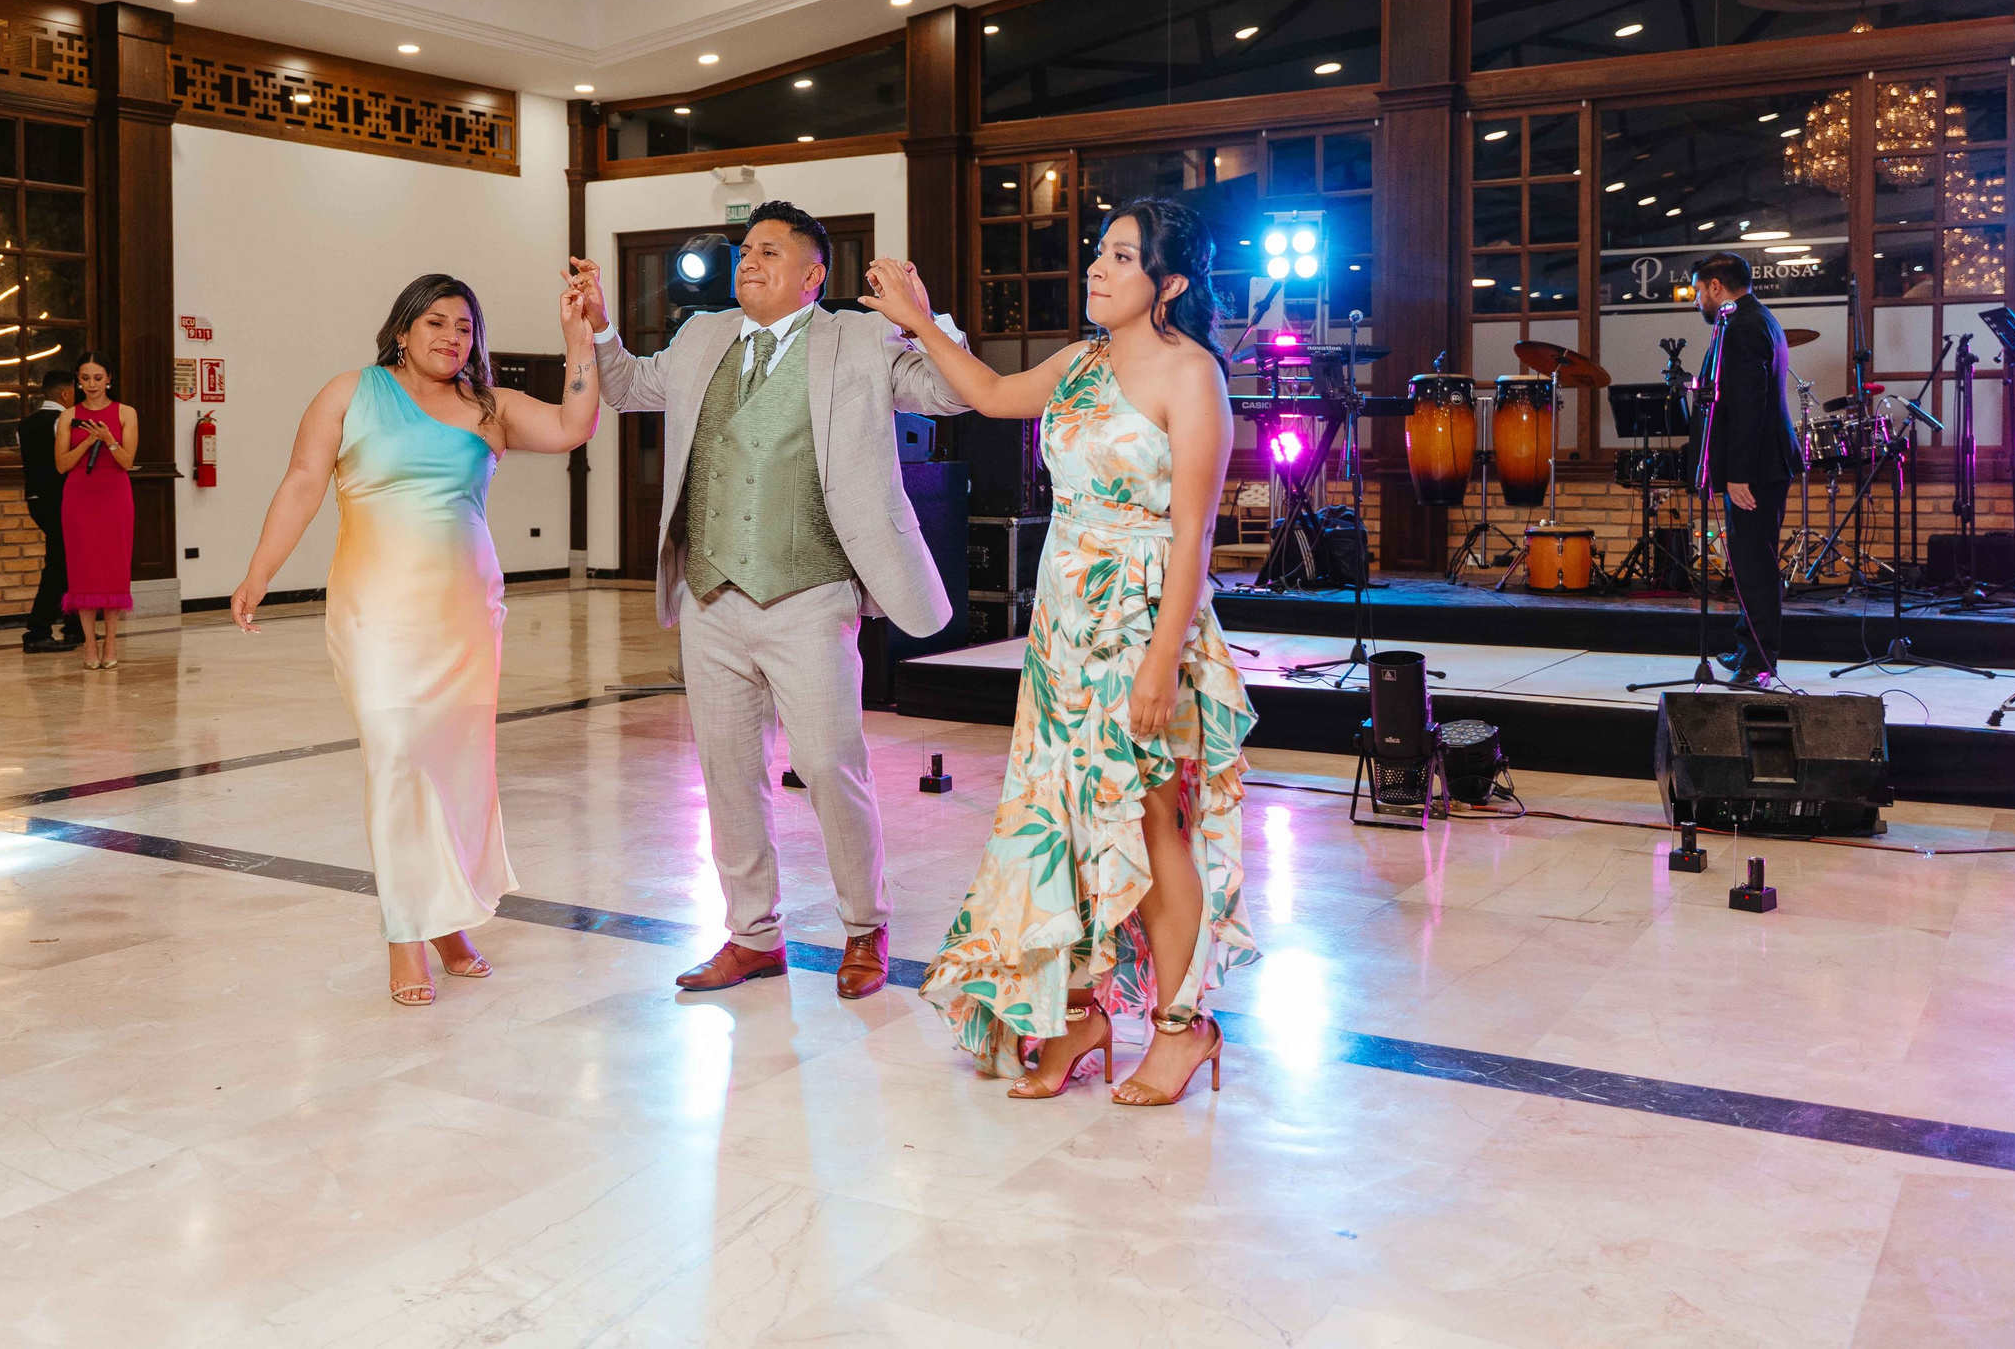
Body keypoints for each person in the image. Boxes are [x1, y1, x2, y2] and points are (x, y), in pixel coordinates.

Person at [866, 198, 1259, 1107]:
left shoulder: (1192, 375)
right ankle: (1080, 1012)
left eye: (1122, 257)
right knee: (1067, 822)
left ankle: (1183, 1027)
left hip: (1144, 622)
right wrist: (920, 321)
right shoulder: (1080, 362)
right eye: (1099, 252)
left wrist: (1162, 662)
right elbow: (994, 395)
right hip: (1064, 626)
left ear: (1170, 283)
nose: (1097, 268)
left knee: (1151, 824)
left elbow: (1195, 535)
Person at [567, 203, 971, 1002]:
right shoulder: (699, 337)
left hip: (810, 592)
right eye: (746, 249)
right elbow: (624, 387)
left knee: (828, 765)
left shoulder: (857, 338)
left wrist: (921, 320)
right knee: (727, 771)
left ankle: (865, 926)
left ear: (813, 274)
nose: (749, 261)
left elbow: (954, 395)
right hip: (711, 593)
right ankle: (753, 936)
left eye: (771, 251)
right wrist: (602, 328)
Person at [230, 274, 599, 1007]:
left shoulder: (487, 410)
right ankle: (406, 930)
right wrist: (257, 572)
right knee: (398, 755)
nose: (451, 337)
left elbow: (571, 427)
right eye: (435, 322)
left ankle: (449, 922)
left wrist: (579, 339)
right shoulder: (350, 392)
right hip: (376, 614)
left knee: (457, 770)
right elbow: (304, 480)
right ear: (402, 329)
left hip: (463, 614)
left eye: (465, 326)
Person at [1693, 251, 1805, 688]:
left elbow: (1748, 405)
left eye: (1699, 290)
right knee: (1746, 561)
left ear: (1716, 287)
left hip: (1755, 468)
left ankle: (1759, 662)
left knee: (1754, 565)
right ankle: (1746, 645)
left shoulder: (1743, 326)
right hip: (1761, 463)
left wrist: (1737, 473)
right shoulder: (1753, 318)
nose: (1697, 300)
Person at [54, 354, 137, 671]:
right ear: (78, 379)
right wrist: (89, 440)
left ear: (109, 379)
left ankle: (111, 640)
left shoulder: (126, 413)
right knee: (83, 569)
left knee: (113, 568)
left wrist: (110, 440)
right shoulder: (68, 417)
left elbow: (127, 462)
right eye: (85, 378)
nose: (91, 384)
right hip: (79, 499)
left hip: (115, 496)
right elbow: (61, 465)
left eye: (98, 378)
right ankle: (90, 643)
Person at [18, 368, 83, 654]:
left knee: (69, 561)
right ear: (67, 393)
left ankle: (73, 625)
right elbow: (69, 462)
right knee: (59, 564)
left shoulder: (25, 424)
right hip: (60, 500)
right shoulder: (63, 422)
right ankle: (38, 630)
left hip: (35, 499)